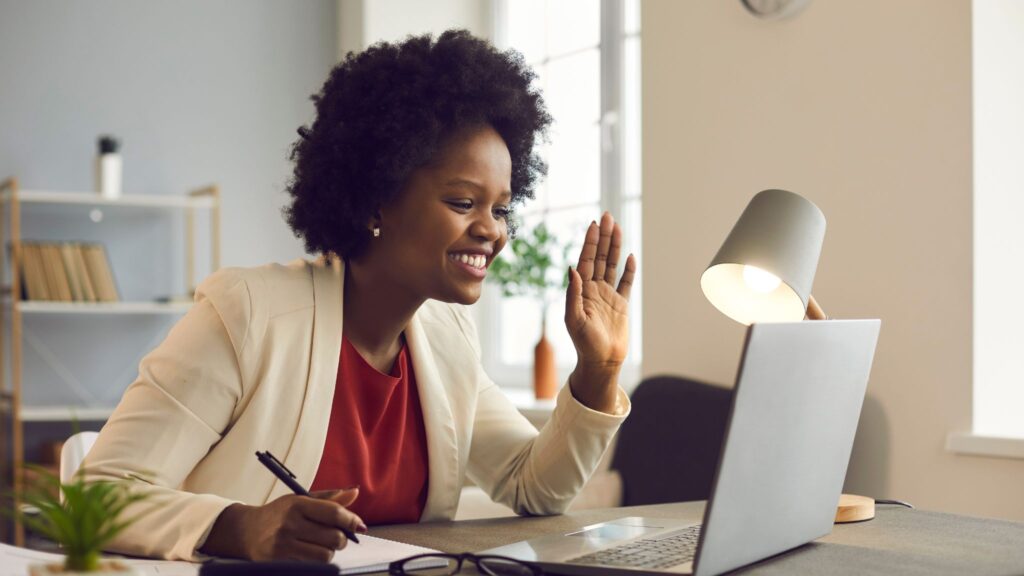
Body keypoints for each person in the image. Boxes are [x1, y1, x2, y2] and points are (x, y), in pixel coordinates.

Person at [82, 30, 637, 562]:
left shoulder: (447, 338)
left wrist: (599, 368)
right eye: (463, 202)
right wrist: (240, 526)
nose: (492, 230)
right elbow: (95, 495)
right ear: (377, 202)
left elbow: (534, 487)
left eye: (502, 209)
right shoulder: (248, 315)